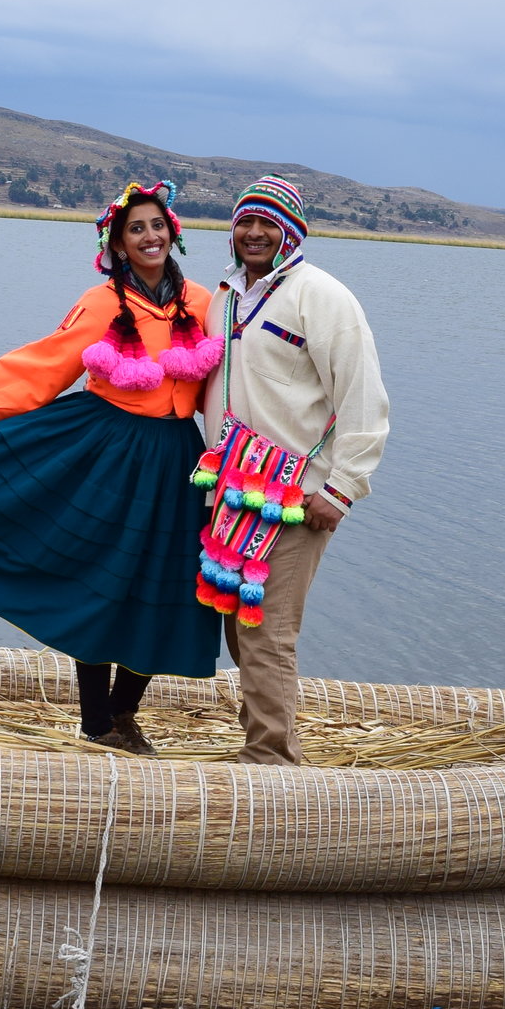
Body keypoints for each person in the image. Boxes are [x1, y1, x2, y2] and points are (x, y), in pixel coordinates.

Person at [0, 182, 224, 755]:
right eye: (135, 229)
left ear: (173, 232)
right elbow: (43, 365)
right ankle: (95, 721)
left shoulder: (205, 304)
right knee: (102, 579)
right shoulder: (103, 303)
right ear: (119, 244)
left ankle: (124, 712)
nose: (149, 236)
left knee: (171, 582)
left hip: (178, 459)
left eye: (157, 226)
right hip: (108, 449)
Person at [195, 175, 389, 765]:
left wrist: (343, 488)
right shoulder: (224, 297)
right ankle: (262, 740)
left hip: (297, 497)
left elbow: (363, 398)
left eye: (268, 223)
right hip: (230, 490)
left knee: (267, 631)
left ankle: (272, 761)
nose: (253, 232)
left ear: (292, 232)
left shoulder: (321, 296)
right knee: (237, 627)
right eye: (244, 221)